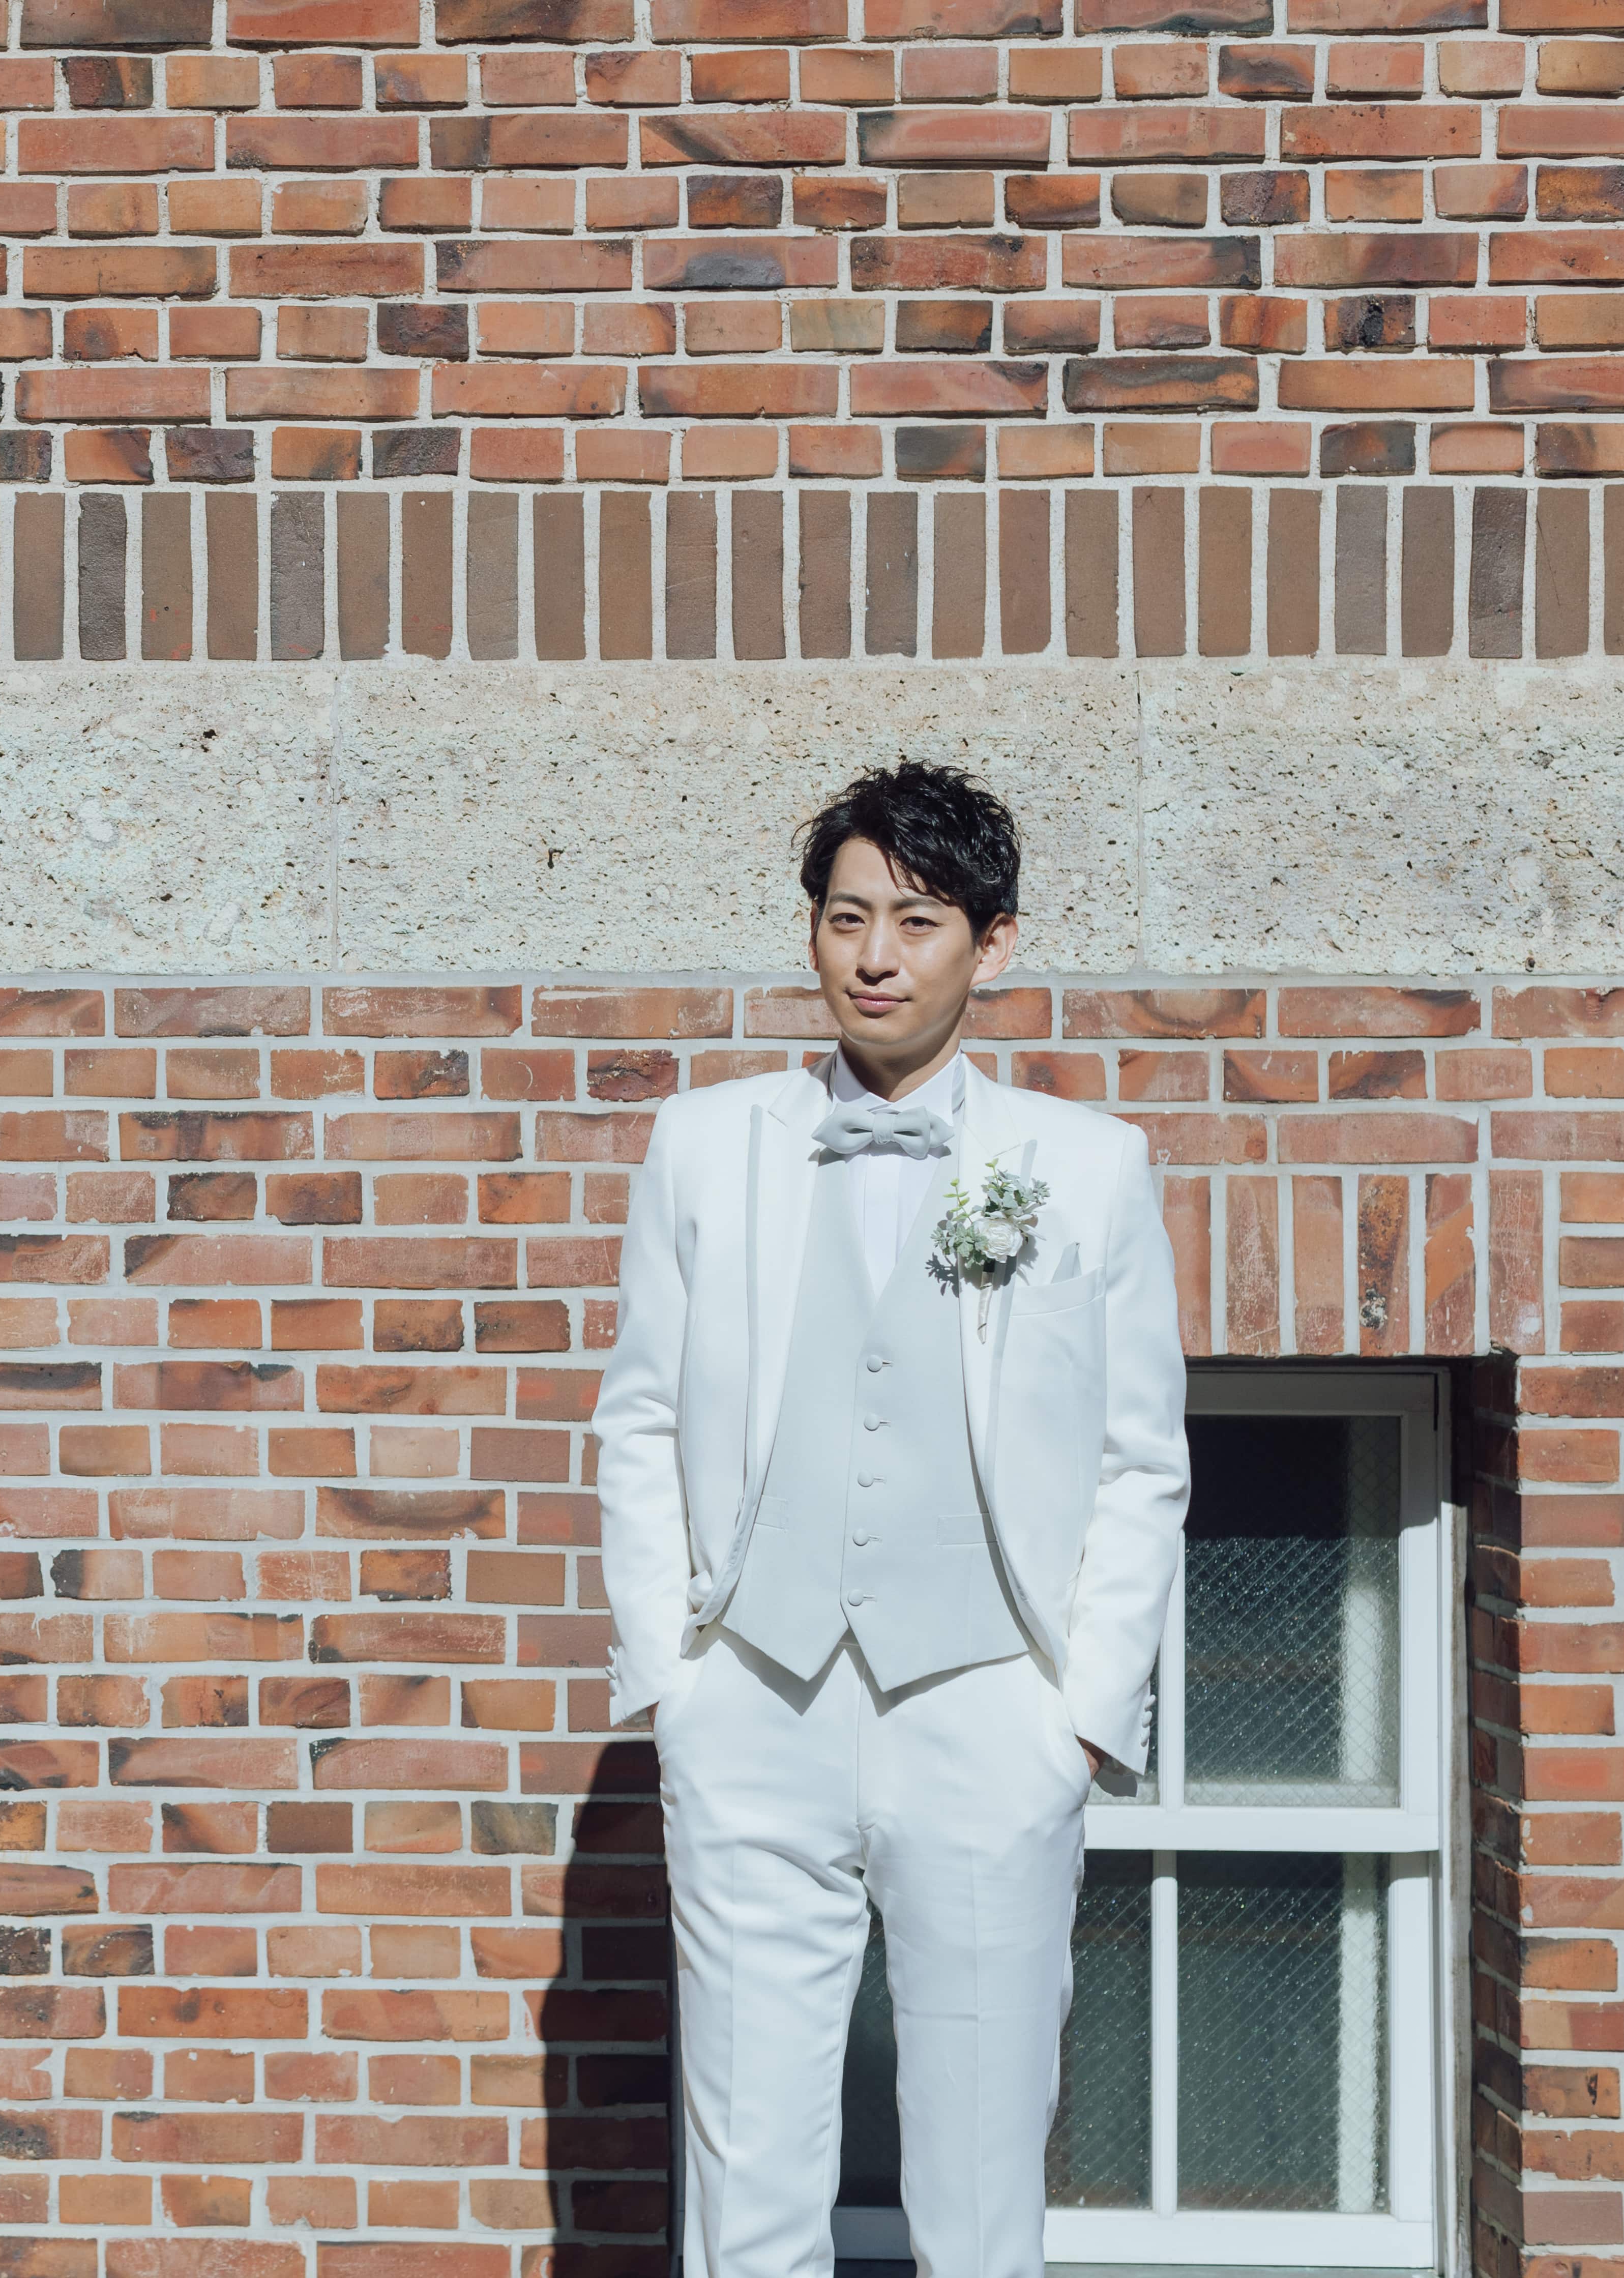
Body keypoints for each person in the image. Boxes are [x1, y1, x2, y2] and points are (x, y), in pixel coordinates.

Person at [593, 765, 1189, 2278]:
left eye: (916, 922)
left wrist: (1079, 1720)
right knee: (746, 2172)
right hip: (755, 1697)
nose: (874, 957)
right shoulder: (704, 1147)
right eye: (847, 918)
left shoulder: (1089, 1168)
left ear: (991, 945)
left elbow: (1140, 1463)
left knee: (983, 2190)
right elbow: (642, 1418)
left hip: (988, 1705)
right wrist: (675, 1684)